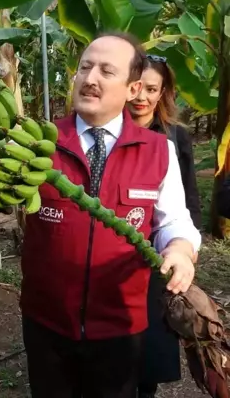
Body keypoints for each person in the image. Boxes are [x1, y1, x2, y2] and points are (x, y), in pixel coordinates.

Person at [20, 32, 201, 398]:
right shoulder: (37, 142)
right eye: (85, 67)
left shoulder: (158, 151)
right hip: (47, 321)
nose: (90, 78)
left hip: (121, 323)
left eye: (106, 70)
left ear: (133, 88)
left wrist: (181, 250)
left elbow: (173, 220)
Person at [126, 55, 202, 398]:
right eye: (137, 88)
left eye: (152, 90)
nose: (142, 97)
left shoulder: (174, 138)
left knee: (151, 336)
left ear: (162, 94)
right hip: (121, 247)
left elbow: (187, 200)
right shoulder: (107, 132)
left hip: (160, 250)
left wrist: (186, 248)